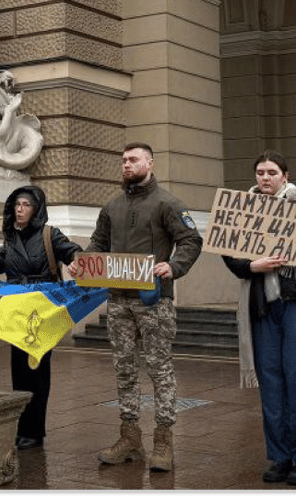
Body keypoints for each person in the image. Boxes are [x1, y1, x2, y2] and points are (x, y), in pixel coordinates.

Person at [73, 143, 202, 472]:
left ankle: (163, 440)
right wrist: (85, 263)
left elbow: (191, 240)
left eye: (133, 160)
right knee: (125, 369)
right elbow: (99, 242)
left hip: (154, 301)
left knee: (160, 371)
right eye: (124, 161)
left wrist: (174, 266)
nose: (126, 165)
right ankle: (130, 438)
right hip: (118, 300)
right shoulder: (112, 205)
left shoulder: (168, 203)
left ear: (150, 163)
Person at [222, 118, 296, 486]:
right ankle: (280, 457)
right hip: (263, 306)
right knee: (271, 383)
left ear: (285, 176)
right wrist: (251, 265)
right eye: (260, 172)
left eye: (272, 172)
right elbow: (229, 256)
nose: (265, 177)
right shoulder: (243, 209)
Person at [0, 186, 84, 450]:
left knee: (36, 369)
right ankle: (22, 427)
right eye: (17, 204)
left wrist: (76, 259)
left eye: (26, 204)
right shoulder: (12, 239)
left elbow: (72, 250)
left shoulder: (50, 234)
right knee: (19, 371)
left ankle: (35, 430)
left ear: (36, 208)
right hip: (16, 308)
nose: (20, 209)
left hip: (41, 309)